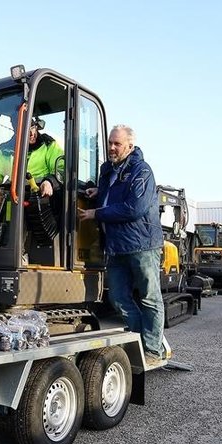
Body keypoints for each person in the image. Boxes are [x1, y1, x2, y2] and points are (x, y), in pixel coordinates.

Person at [78, 124, 166, 367]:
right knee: (117, 297)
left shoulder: (142, 171)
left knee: (149, 298)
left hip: (142, 245)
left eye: (117, 144)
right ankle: (138, 340)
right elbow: (113, 195)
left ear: (130, 145)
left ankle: (152, 350)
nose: (112, 148)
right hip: (116, 246)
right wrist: (99, 191)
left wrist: (97, 213)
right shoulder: (109, 172)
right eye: (110, 143)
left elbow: (133, 208)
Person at [0, 117, 64, 197]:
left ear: (36, 127)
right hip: (14, 198)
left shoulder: (48, 145)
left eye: (33, 128)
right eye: (26, 130)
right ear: (17, 132)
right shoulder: (7, 150)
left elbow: (61, 168)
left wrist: (49, 181)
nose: (31, 133)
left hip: (43, 197)